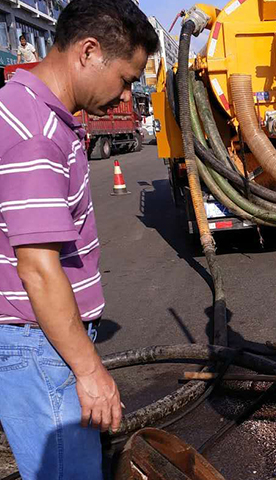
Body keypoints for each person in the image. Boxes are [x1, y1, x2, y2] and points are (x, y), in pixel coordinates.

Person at [0, 1, 158, 478]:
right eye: (127, 78)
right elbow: (38, 269)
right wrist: (90, 372)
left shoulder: (36, 112)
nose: (125, 93)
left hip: (43, 342)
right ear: (89, 52)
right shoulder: (36, 131)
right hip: (40, 345)